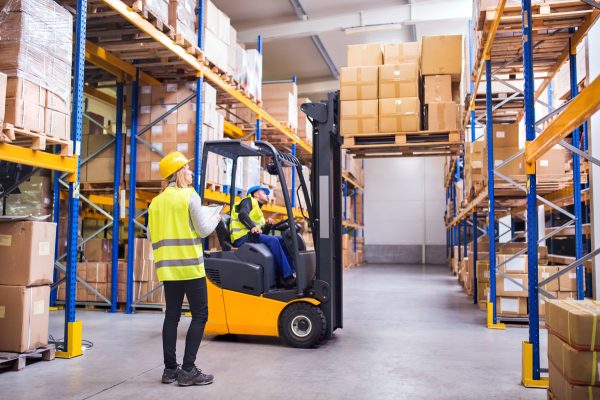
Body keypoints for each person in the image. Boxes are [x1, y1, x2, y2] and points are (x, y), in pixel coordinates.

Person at [147, 151, 220, 387]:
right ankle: (188, 370)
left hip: (168, 269)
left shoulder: (155, 203)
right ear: (179, 172)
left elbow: (150, 234)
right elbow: (203, 229)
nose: (190, 172)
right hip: (190, 267)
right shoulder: (189, 196)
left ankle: (170, 370)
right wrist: (217, 216)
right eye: (187, 168)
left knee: (172, 316)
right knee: (200, 316)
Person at [230, 185, 296, 288]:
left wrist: (267, 226)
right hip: (241, 238)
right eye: (264, 193)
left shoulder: (258, 211)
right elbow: (242, 214)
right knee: (273, 241)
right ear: (255, 194)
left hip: (251, 237)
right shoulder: (248, 201)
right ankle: (287, 277)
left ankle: (291, 271)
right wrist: (252, 226)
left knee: (283, 240)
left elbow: (262, 234)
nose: (267, 195)